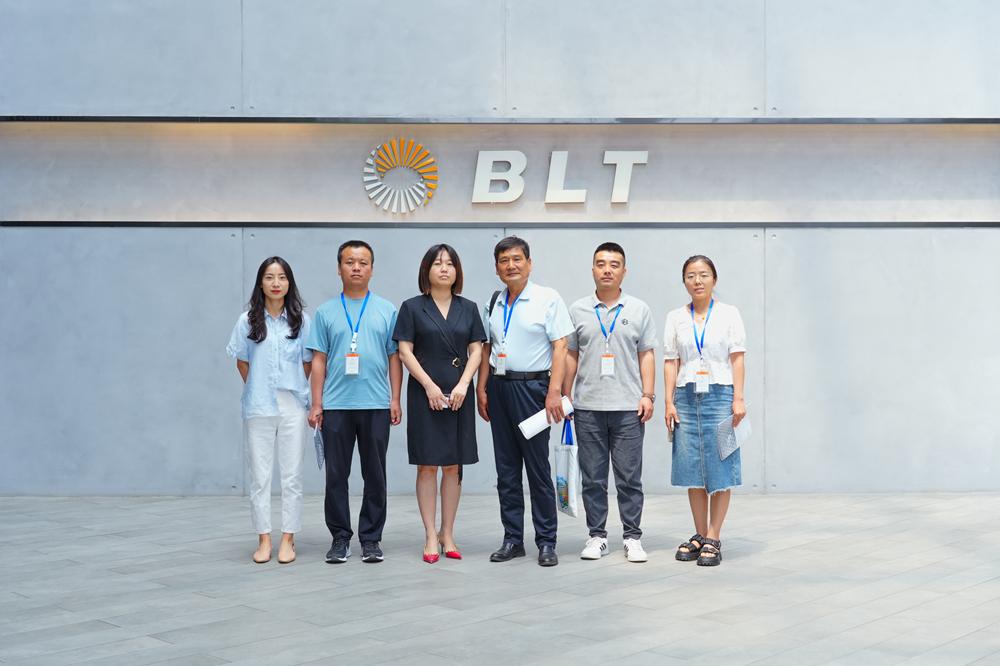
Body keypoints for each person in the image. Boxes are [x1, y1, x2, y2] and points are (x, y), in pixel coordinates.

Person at [476, 236, 574, 567]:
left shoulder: (547, 298)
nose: (511, 265)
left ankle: (546, 541)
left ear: (529, 263)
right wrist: (481, 388)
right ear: (496, 268)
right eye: (504, 260)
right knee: (506, 469)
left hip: (533, 390)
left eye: (517, 259)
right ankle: (512, 539)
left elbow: (561, 346)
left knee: (537, 468)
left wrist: (554, 391)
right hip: (499, 389)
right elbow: (488, 348)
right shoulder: (494, 301)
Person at [307, 240, 403, 564]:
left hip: (376, 403)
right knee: (336, 475)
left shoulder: (387, 310)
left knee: (375, 474)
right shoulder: (325, 312)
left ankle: (371, 539)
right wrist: (316, 403)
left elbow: (395, 357)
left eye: (363, 262)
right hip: (336, 405)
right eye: (350, 262)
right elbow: (318, 360)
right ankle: (340, 538)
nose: (356, 267)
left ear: (372, 269)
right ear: (339, 269)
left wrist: (395, 398)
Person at [562, 242, 657, 563]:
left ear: (624, 271)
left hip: (629, 408)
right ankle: (597, 536)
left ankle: (632, 537)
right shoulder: (578, 309)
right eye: (601, 264)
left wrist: (648, 394)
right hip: (587, 407)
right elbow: (570, 355)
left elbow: (647, 354)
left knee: (629, 478)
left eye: (614, 265)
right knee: (593, 478)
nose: (607, 270)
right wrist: (565, 395)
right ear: (592, 269)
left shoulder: (639, 309)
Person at [393, 244, 486, 563]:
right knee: (427, 464)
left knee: (453, 465)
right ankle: (430, 534)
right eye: (437, 263)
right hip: (424, 393)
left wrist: (464, 384)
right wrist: (430, 386)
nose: (444, 268)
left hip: (459, 393)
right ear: (426, 270)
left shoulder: (469, 308)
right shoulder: (412, 307)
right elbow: (404, 351)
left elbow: (477, 350)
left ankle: (448, 532)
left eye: (449, 263)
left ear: (457, 271)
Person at [226, 256, 312, 565]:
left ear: (289, 283)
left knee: (292, 475)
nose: (276, 283)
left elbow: (307, 362)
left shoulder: (302, 320)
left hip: (293, 405)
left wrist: (293, 387)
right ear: (260, 283)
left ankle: (288, 537)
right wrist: (259, 386)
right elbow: (242, 361)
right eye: (269, 277)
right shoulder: (247, 321)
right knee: (260, 477)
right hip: (259, 405)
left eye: (282, 277)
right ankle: (264, 538)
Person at [663, 255, 747, 567]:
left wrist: (738, 398)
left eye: (703, 274)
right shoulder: (675, 317)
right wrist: (669, 401)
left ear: (714, 279)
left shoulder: (729, 314)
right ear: (684, 281)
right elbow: (670, 361)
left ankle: (714, 535)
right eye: (690, 275)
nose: (697, 281)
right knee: (692, 467)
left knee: (721, 466)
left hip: (720, 395)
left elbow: (737, 358)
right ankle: (699, 534)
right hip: (686, 397)